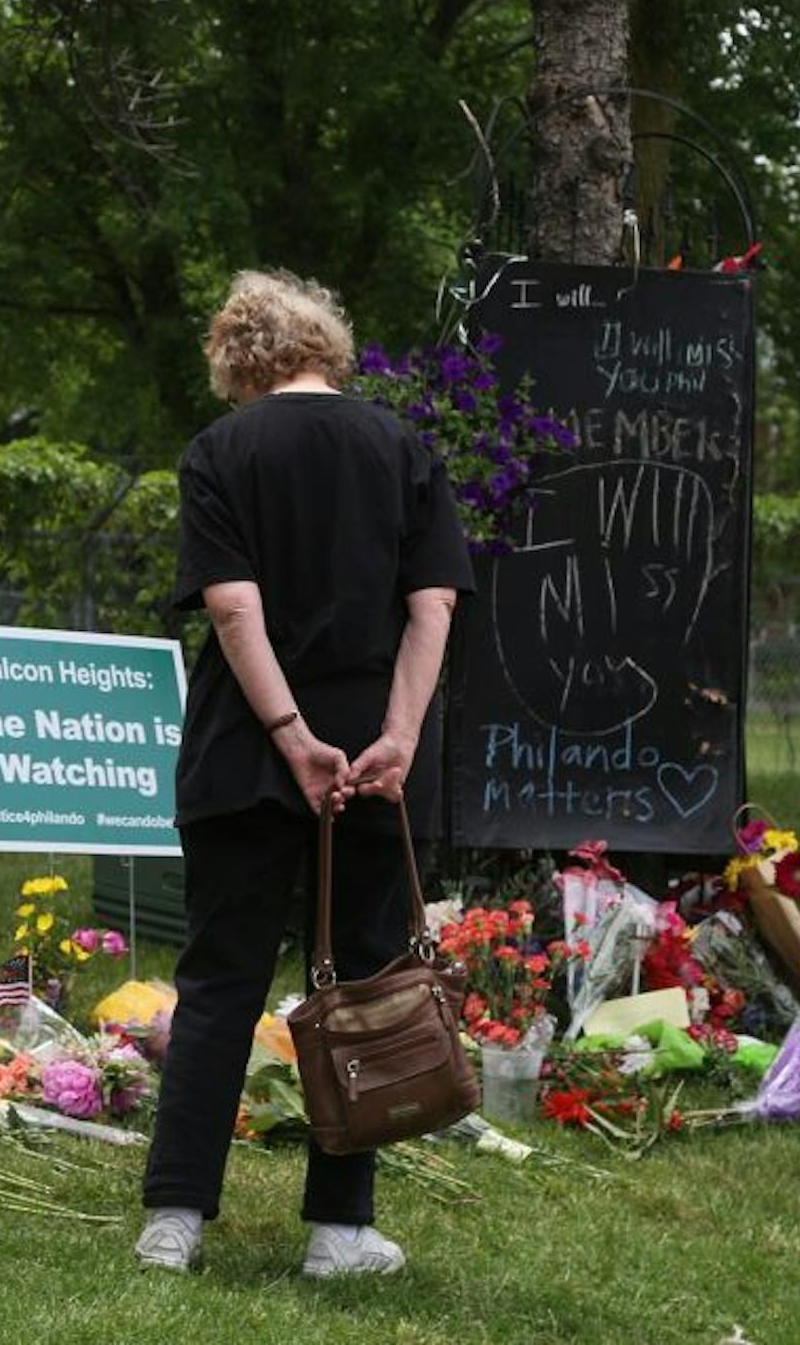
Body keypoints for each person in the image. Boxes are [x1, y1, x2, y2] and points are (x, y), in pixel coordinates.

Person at [135, 270, 474, 1276]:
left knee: (219, 984)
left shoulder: (220, 452)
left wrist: (287, 735)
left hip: (247, 755)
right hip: (375, 756)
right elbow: (434, 609)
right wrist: (399, 740)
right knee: (367, 985)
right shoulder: (403, 447)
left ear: (242, 360)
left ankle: (175, 1221)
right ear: (326, 344)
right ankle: (339, 1230)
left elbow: (234, 610)